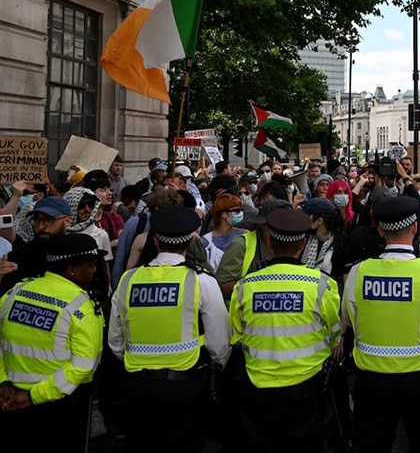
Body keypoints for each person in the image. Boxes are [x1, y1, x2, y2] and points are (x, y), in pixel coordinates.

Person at [108, 206, 230, 453]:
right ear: (190, 241)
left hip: (137, 386)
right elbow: (219, 342)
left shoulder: (128, 280)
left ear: (155, 240)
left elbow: (115, 341)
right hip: (184, 387)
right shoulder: (202, 280)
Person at [343, 195, 420, 453]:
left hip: (371, 378)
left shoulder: (359, 272)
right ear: (415, 227)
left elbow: (351, 318)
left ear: (380, 229)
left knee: (370, 443)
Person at [229, 209, 340, 451]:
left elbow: (237, 333)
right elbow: (334, 335)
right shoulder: (322, 285)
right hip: (307, 389)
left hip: (258, 389)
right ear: (302, 244)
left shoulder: (245, 286)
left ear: (269, 242)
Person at [0, 234, 104, 451]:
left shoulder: (15, 292)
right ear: (71, 270)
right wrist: (31, 396)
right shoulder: (82, 306)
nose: (94, 271)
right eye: (91, 265)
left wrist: (4, 385)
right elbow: (84, 366)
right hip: (60, 407)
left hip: (9, 401)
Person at [216, 199, 293, 300]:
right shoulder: (241, 245)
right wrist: (258, 285)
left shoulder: (293, 244)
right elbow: (221, 287)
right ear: (264, 225)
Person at [0, 197, 73, 296]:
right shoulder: (19, 255)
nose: (41, 226)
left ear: (68, 221)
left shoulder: (77, 254)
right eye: (36, 220)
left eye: (48, 220)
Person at [201, 193, 246, 272]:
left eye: (241, 210)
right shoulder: (205, 242)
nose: (241, 213)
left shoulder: (244, 235)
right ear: (224, 215)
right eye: (237, 211)